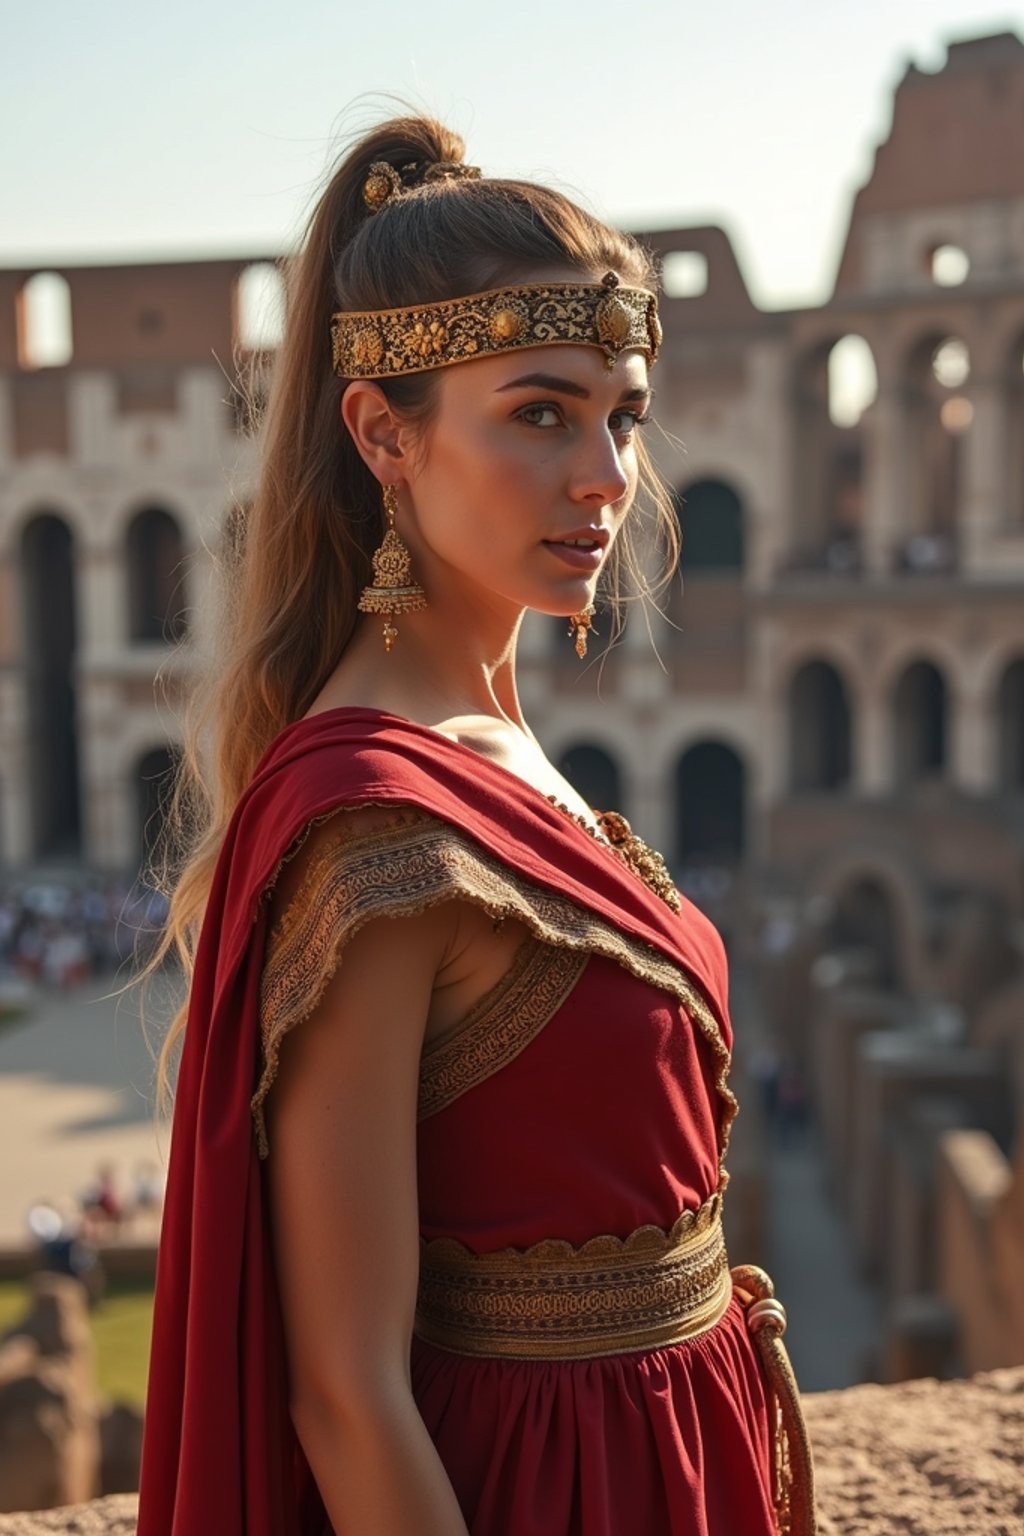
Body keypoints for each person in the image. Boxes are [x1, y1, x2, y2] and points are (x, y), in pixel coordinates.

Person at [136, 115, 815, 1536]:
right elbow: (344, 1394)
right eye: (539, 412)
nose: (607, 477)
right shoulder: (369, 829)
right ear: (385, 431)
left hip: (680, 1468)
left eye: (620, 415)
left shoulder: (507, 747)